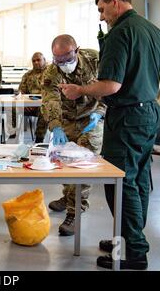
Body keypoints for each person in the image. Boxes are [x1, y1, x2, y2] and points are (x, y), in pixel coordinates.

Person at [60, 0, 160, 270]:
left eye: (103, 9)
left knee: (120, 182)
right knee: (139, 178)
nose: (101, 16)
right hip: (149, 112)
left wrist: (80, 90)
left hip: (128, 117)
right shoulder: (153, 30)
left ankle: (134, 253)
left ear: (116, 2)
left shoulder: (120, 33)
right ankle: (132, 239)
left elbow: (111, 85)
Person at [41, 34, 106, 236]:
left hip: (91, 119)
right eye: (57, 59)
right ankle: (68, 195)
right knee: (65, 162)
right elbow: (49, 99)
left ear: (76, 50)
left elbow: (109, 87)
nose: (62, 64)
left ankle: (74, 211)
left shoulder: (95, 59)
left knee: (83, 167)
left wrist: (99, 113)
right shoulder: (52, 71)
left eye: (67, 59)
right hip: (66, 120)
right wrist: (55, 125)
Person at [17, 52, 48, 142]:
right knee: (11, 108)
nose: (36, 62)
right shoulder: (28, 75)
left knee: (45, 110)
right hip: (28, 105)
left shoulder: (51, 73)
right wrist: (24, 104)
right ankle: (13, 135)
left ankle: (39, 139)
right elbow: (21, 92)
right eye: (34, 61)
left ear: (44, 60)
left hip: (43, 104)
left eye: (38, 60)